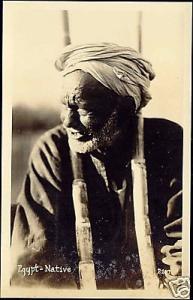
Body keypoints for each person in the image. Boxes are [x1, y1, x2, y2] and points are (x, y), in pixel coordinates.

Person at [11, 43, 183, 289]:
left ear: (125, 108)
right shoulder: (54, 150)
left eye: (84, 109)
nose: (68, 121)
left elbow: (182, 249)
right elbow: (36, 260)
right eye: (65, 105)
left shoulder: (168, 142)